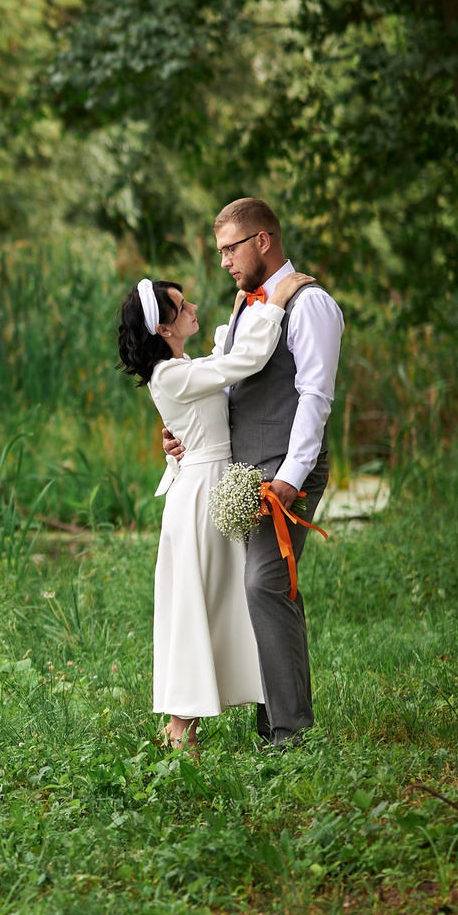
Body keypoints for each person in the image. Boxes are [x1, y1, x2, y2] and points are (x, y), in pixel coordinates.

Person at [162, 198, 344, 749]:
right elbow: (227, 383)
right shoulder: (246, 305)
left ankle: (289, 734)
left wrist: (292, 475)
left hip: (286, 473)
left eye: (230, 249)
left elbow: (316, 396)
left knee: (264, 583)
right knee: (266, 589)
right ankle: (273, 717)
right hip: (240, 473)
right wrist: (186, 435)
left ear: (262, 240)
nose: (223, 263)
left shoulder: (311, 305)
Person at [118, 274, 303, 754]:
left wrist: (242, 313)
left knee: (220, 604)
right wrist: (274, 305)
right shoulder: (171, 374)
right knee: (197, 604)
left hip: (208, 484)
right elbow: (242, 362)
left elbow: (217, 370)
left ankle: (195, 722)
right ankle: (181, 728)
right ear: (163, 328)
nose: (193, 307)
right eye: (182, 307)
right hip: (201, 496)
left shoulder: (182, 367)